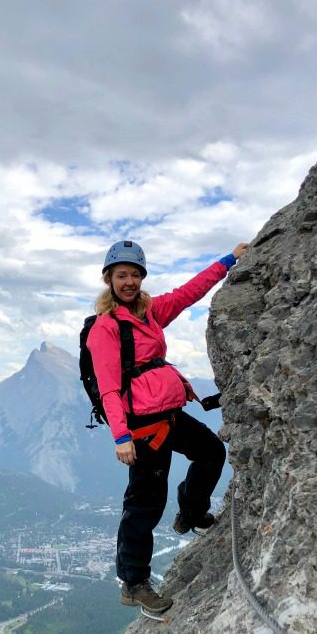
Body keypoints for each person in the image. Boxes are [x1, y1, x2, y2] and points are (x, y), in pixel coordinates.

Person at [87, 239, 249, 613]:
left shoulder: (151, 313)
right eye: (121, 275)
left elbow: (189, 292)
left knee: (211, 451)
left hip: (169, 416)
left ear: (142, 278)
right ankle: (133, 584)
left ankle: (190, 513)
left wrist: (227, 261)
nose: (129, 281)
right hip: (142, 428)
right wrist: (121, 437)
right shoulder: (106, 328)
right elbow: (109, 388)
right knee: (144, 504)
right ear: (109, 279)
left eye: (135, 275)